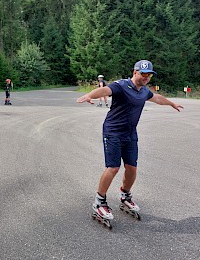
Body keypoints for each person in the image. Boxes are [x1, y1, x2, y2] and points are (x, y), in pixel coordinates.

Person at [77, 60, 183, 222]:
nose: (146, 77)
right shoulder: (121, 85)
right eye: (143, 74)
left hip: (130, 134)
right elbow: (105, 89)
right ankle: (99, 202)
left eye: (149, 75)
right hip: (112, 132)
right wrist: (89, 95)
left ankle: (125, 195)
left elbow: (157, 98)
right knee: (113, 168)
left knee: (132, 167)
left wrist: (171, 103)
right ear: (135, 72)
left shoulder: (144, 91)